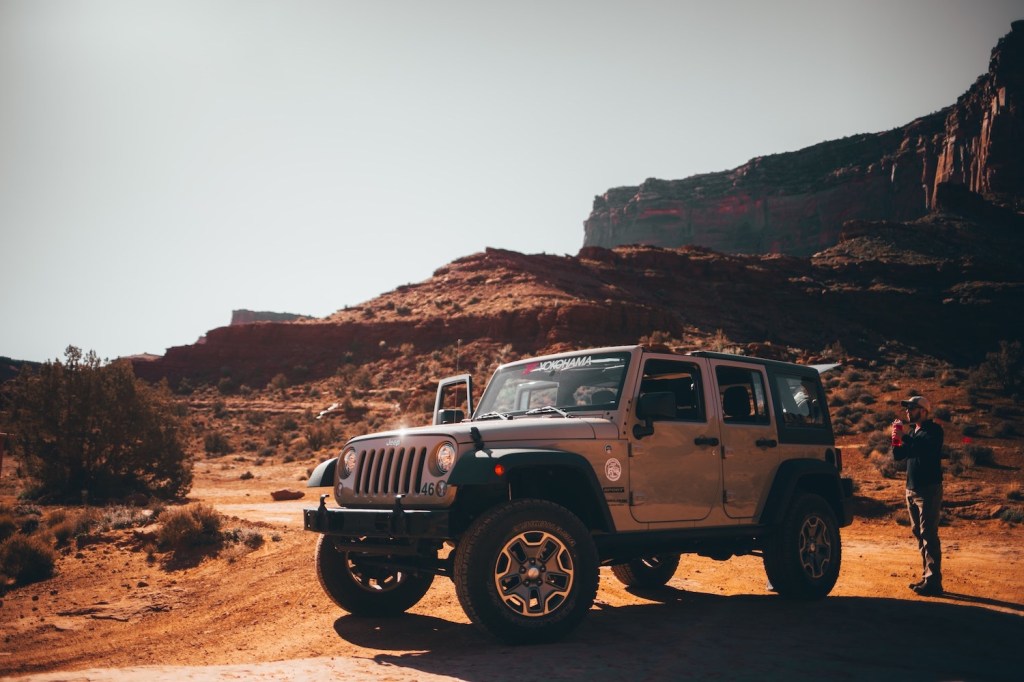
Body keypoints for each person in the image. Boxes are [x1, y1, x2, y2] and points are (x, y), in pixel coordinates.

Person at [891, 395, 945, 596]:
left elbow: (923, 448)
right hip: (912, 489)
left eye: (912, 408)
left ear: (923, 411)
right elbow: (899, 456)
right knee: (919, 533)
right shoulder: (914, 432)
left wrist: (904, 436)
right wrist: (896, 439)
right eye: (907, 408)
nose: (907, 411)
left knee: (928, 534)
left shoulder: (933, 431)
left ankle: (933, 582)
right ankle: (927, 577)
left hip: (928, 489)